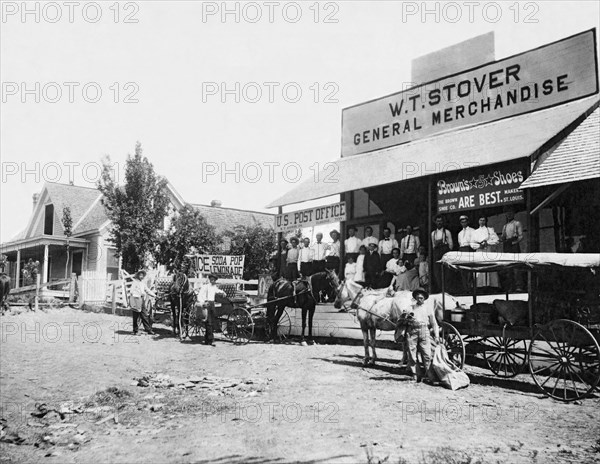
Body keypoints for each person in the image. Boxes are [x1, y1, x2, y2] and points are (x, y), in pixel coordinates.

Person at [404, 289, 439, 383]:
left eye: (421, 298)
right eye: (418, 298)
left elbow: (434, 323)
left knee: (427, 354)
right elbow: (402, 321)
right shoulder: (410, 308)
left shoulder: (428, 308)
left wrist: (437, 336)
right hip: (412, 331)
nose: (420, 299)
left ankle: (430, 377)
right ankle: (415, 376)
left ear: (424, 298)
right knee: (412, 355)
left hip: (424, 331)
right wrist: (406, 319)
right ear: (415, 298)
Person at [471, 216, 500, 289]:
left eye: (484, 220)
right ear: (478, 221)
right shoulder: (475, 232)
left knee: (489, 266)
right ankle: (480, 286)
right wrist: (479, 246)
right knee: (480, 267)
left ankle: (491, 286)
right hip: (479, 251)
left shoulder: (490, 230)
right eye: (480, 220)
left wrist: (488, 243)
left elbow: (496, 240)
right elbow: (472, 243)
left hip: (488, 250)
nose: (482, 222)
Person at [197, 274, 227, 346]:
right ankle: (211, 339)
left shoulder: (214, 287)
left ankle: (207, 339)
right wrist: (203, 302)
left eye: (214, 280)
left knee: (212, 321)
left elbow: (217, 291)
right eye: (211, 279)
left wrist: (223, 292)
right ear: (209, 279)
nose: (212, 281)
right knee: (209, 322)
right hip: (206, 304)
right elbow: (199, 296)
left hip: (212, 304)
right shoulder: (205, 287)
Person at [500, 208, 525, 291]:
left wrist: (514, 243)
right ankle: (510, 286)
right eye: (507, 213)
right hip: (507, 245)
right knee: (508, 266)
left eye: (510, 213)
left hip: (514, 244)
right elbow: (503, 237)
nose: (509, 215)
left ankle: (519, 286)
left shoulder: (517, 223)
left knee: (516, 266)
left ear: (513, 214)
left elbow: (521, 236)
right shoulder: (505, 226)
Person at [129, 270, 156, 335]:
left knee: (144, 315)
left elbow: (147, 290)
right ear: (138, 275)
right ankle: (135, 331)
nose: (141, 276)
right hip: (136, 300)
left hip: (142, 300)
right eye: (140, 275)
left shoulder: (143, 283)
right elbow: (131, 291)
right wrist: (137, 296)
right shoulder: (135, 282)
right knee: (136, 317)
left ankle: (148, 329)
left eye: (142, 275)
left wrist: (154, 295)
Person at [431, 215, 453, 293]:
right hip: (437, 252)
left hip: (445, 251)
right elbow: (433, 245)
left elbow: (451, 245)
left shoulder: (447, 232)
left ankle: (447, 289)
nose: (439, 222)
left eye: (440, 221)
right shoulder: (433, 233)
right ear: (435, 222)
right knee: (437, 271)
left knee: (446, 271)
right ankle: (440, 289)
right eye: (437, 221)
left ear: (443, 222)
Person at [457, 215, 476, 292]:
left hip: (469, 249)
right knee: (463, 270)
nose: (463, 223)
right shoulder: (460, 233)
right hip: (462, 249)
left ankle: (470, 288)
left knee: (470, 270)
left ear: (467, 222)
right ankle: (465, 289)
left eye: (465, 221)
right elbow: (460, 243)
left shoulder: (472, 230)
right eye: (462, 222)